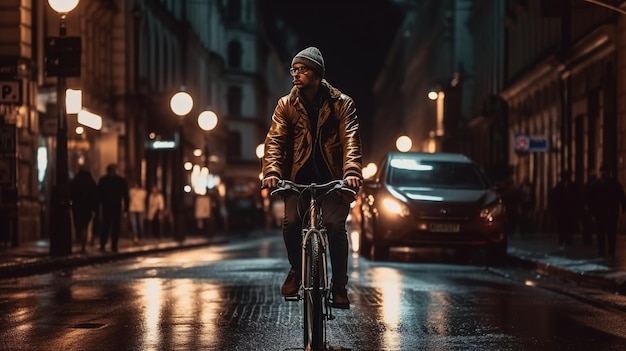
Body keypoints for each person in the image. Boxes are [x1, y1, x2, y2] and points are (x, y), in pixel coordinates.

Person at [261, 46, 362, 309]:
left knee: (336, 229)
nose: (295, 74)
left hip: (333, 180)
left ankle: (339, 285)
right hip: (297, 179)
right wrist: (271, 171)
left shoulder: (342, 103)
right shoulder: (286, 104)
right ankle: (296, 268)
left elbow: (350, 139)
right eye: (294, 69)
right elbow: (275, 140)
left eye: (302, 69)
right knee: (291, 221)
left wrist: (351, 172)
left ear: (317, 74)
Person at [589, 164, 626, 258]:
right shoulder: (596, 184)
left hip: (612, 212)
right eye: (602, 171)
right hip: (600, 212)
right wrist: (592, 212)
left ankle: (611, 250)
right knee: (600, 232)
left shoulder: (614, 183)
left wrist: (623, 207)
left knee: (611, 232)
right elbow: (591, 199)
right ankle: (601, 250)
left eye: (605, 171)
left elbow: (621, 196)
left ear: (609, 173)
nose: (603, 173)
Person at [97, 164, 129, 252]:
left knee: (105, 225)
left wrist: (97, 206)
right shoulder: (121, 181)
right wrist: (126, 208)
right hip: (116, 206)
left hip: (106, 205)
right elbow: (126, 196)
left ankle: (103, 244)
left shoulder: (103, 180)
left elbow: (99, 194)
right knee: (115, 226)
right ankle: (114, 245)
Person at [69, 168, 98, 252]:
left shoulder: (74, 182)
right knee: (85, 226)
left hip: (77, 206)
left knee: (78, 225)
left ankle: (79, 241)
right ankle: (83, 245)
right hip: (87, 207)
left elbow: (70, 193)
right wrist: (94, 208)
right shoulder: (91, 183)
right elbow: (95, 196)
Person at [549, 170, 579, 250]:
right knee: (561, 227)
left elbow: (576, 198)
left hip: (569, 211)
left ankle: (568, 240)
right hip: (561, 211)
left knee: (569, 226)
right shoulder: (558, 187)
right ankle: (562, 240)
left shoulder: (573, 186)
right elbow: (553, 198)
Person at [581, 170, 598, 245]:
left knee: (587, 225)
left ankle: (587, 239)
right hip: (589, 208)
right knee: (588, 225)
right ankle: (587, 239)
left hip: (589, 208)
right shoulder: (591, 185)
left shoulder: (588, 185)